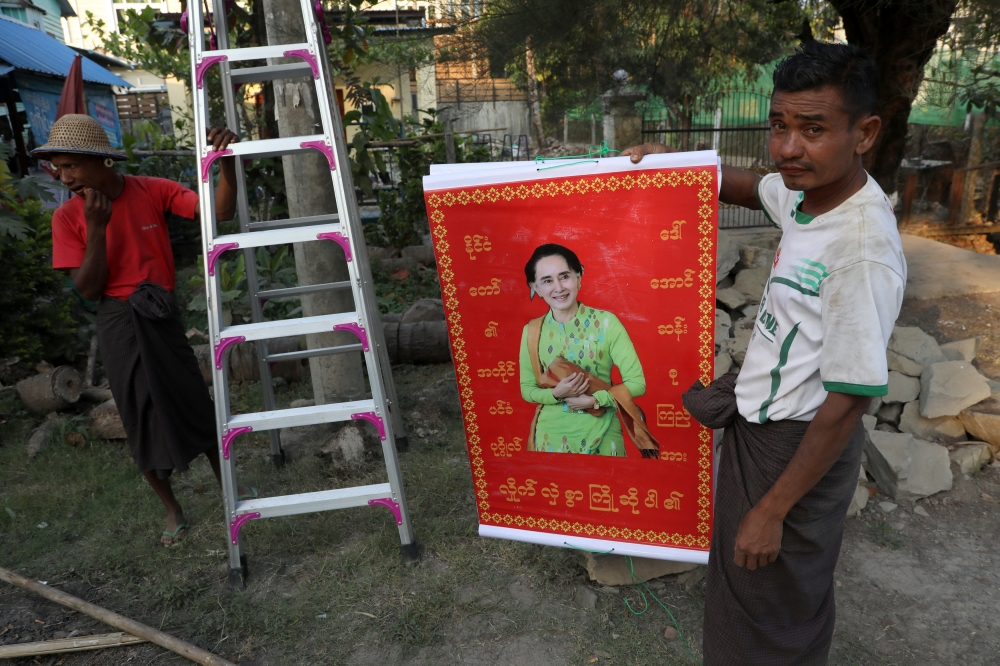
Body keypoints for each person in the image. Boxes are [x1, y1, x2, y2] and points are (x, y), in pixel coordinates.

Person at [625, 41, 905, 663]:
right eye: (779, 126)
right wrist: (682, 164)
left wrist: (772, 509)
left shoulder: (860, 250)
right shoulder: (809, 197)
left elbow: (851, 397)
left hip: (798, 445)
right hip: (765, 432)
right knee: (745, 595)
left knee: (773, 606)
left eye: (813, 129)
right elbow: (756, 188)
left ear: (864, 133)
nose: (786, 148)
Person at [32, 114, 251, 546]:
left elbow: (220, 211)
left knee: (192, 399)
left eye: (72, 165)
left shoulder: (151, 190)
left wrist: (226, 160)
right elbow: (89, 289)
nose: (66, 177)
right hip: (117, 319)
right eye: (59, 168)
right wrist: (96, 227)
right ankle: (171, 508)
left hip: (159, 312)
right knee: (137, 412)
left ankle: (232, 489)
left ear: (102, 162)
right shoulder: (68, 218)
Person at [518, 243, 659, 458]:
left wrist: (596, 400)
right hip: (550, 437)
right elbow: (527, 390)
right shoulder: (532, 332)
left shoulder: (606, 323)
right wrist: (557, 394)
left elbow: (637, 383)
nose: (558, 287)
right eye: (547, 281)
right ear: (535, 287)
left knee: (605, 491)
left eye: (564, 276)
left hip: (602, 431)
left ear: (579, 277)